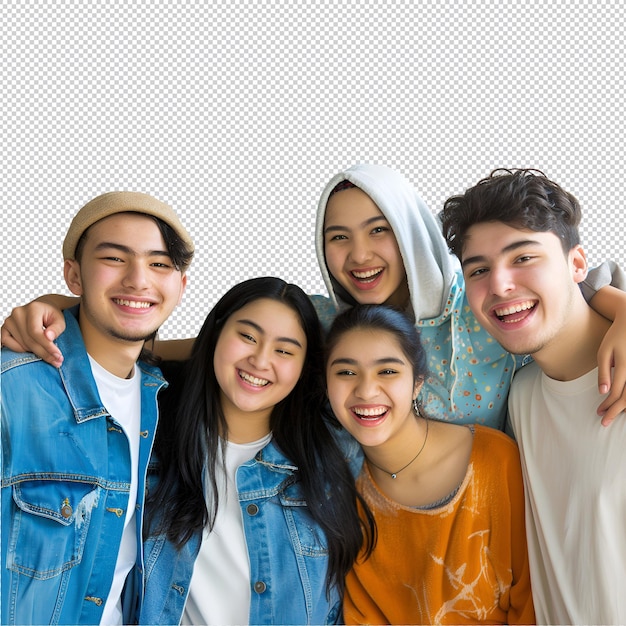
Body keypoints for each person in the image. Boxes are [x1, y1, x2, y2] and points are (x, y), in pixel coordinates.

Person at [3, 164, 626, 427]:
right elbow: (212, 344)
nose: (358, 256)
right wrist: (63, 312)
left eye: (379, 231)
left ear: (410, 233)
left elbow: (574, 290)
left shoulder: (486, 299)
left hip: (491, 543)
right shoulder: (324, 323)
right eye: (338, 237)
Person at [440, 168, 626, 624]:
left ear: (577, 264)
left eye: (523, 258)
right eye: (479, 270)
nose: (499, 285)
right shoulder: (519, 397)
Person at [1, 191, 193, 625]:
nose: (138, 280)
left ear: (181, 286)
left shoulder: (166, 402)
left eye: (159, 264)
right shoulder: (12, 391)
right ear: (74, 274)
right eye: (114, 258)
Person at [138, 277, 373, 625]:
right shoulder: (146, 424)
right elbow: (98, 334)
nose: (260, 360)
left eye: (284, 350)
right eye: (247, 336)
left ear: (305, 365)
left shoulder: (337, 453)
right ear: (216, 331)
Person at [325, 304, 534, 624]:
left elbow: (532, 599)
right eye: (346, 372)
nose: (366, 390)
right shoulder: (341, 496)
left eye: (388, 371)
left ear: (418, 382)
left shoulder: (494, 461)